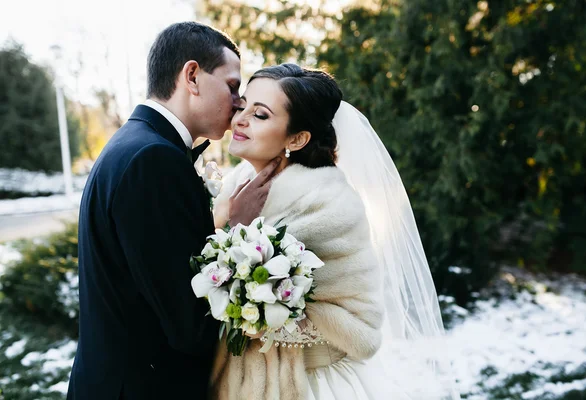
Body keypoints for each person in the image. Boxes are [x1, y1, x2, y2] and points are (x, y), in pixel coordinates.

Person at [209, 64, 459, 399]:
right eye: (244, 106)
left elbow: (362, 328)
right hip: (240, 381)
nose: (240, 119)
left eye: (261, 115)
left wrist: (262, 310)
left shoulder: (329, 205)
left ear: (297, 138)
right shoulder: (235, 186)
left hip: (310, 383)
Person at [67, 22, 280, 400]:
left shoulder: (136, 145)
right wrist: (237, 229)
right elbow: (188, 325)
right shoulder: (153, 160)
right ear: (193, 75)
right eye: (232, 86)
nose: (239, 103)